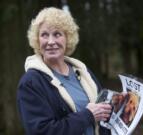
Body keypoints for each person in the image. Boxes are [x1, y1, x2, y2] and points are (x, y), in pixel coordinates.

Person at [17, 7, 112, 135]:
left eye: (57, 34)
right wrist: (87, 116)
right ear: (37, 40)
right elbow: (41, 131)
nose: (51, 42)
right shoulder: (30, 83)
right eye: (44, 35)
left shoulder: (83, 72)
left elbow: (102, 117)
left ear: (67, 38)